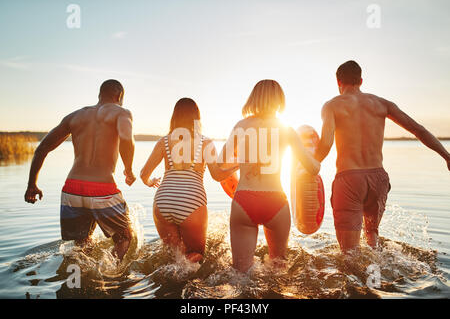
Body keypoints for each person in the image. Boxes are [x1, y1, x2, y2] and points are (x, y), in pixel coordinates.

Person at [316, 60, 450, 253]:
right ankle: (377, 277)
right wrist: (446, 156)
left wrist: (308, 167)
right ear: (361, 80)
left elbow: (325, 145)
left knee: (349, 254)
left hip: (349, 180)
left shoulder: (332, 106)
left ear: (338, 82)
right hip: (378, 180)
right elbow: (418, 130)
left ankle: (355, 281)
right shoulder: (382, 104)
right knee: (372, 240)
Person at [24, 79, 136, 260]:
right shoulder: (121, 112)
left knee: (81, 245)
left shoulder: (74, 116)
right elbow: (125, 137)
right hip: (103, 190)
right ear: (119, 96)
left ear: (100, 95)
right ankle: (113, 280)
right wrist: (129, 170)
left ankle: (77, 282)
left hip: (72, 190)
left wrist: (32, 185)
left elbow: (41, 149)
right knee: (124, 239)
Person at [220, 80, 320, 272]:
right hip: (275, 201)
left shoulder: (241, 126)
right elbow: (312, 168)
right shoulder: (286, 130)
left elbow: (218, 169)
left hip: (244, 199)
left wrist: (240, 165)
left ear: (254, 99)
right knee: (278, 267)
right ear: (279, 101)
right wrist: (317, 159)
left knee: (240, 273)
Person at [140, 98, 237, 262]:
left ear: (175, 116)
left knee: (173, 257)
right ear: (196, 118)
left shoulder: (164, 141)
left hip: (163, 200)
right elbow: (217, 175)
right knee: (197, 254)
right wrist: (238, 166)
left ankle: (169, 282)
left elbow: (143, 174)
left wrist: (150, 182)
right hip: (191, 201)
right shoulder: (205, 142)